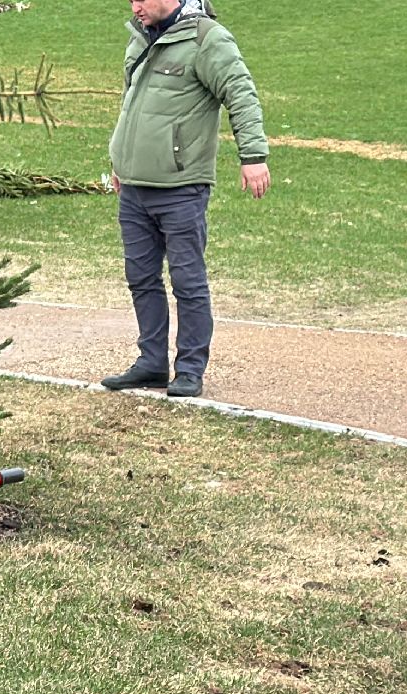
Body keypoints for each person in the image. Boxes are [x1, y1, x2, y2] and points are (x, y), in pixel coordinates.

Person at [100, 0, 268, 399]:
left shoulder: (206, 39)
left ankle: (190, 369)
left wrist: (254, 157)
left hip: (181, 188)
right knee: (141, 278)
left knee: (188, 281)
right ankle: (151, 363)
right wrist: (121, 162)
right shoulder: (140, 38)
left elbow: (241, 95)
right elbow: (133, 109)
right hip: (135, 188)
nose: (134, 7)